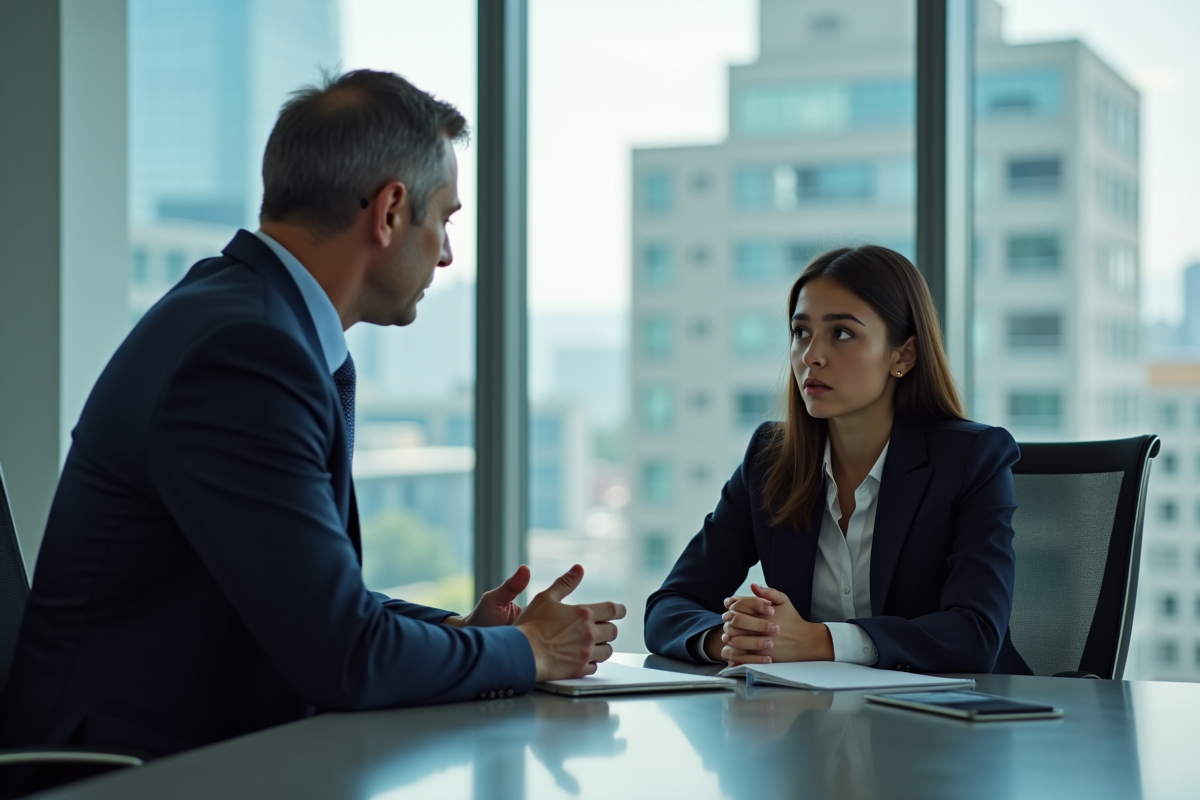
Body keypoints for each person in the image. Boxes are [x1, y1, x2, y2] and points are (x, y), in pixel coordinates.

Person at [0, 70, 625, 776]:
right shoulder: (244, 353)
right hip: (122, 773)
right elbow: (344, 653)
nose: (447, 254)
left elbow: (313, 598)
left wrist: (456, 632)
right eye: (444, 219)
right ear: (390, 211)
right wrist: (531, 650)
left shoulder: (249, 320)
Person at [644, 245, 1030, 675]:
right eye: (801, 332)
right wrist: (737, 641)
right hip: (812, 726)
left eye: (841, 333)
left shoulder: (973, 459)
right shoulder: (770, 460)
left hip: (961, 725)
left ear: (902, 356)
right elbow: (669, 606)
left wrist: (819, 641)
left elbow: (975, 635)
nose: (811, 356)